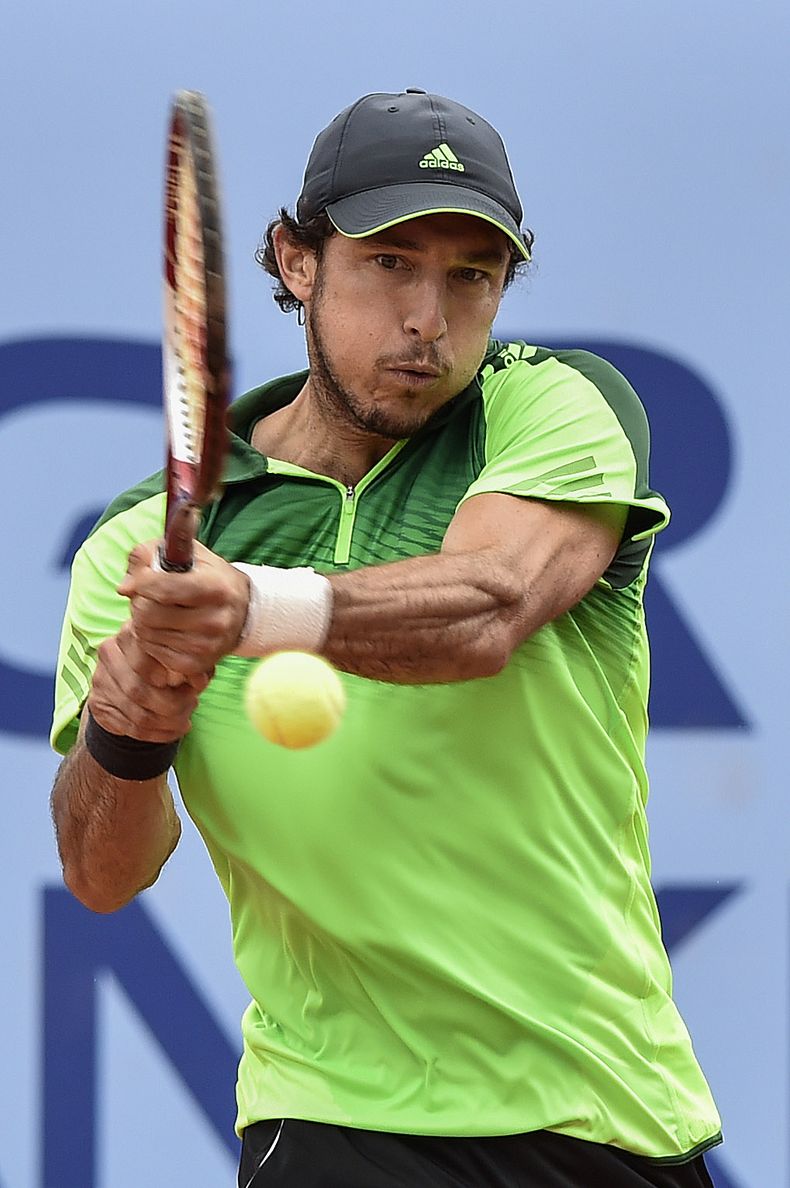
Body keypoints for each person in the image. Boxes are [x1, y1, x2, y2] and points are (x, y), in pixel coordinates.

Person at [50, 89, 722, 1187]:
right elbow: (100, 871)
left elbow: (489, 606)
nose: (429, 319)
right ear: (296, 260)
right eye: (390, 264)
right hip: (328, 1115)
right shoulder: (137, 545)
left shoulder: (551, 405)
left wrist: (254, 611)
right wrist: (129, 727)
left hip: (599, 1111)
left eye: (471, 276)